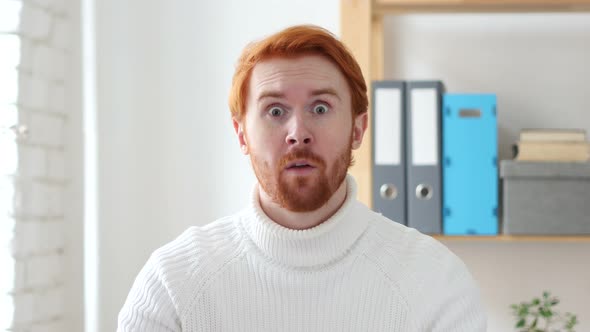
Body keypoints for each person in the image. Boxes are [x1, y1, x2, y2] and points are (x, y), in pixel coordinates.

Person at [117, 25, 487, 331]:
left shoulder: (435, 281)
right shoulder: (174, 282)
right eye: (275, 110)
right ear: (241, 134)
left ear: (358, 129)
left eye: (321, 108)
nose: (298, 132)